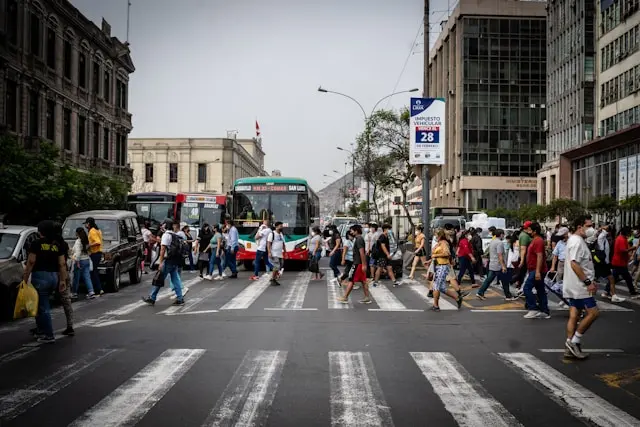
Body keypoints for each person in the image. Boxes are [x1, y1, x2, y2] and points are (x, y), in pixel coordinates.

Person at [22, 220, 68, 343]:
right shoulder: (56, 245)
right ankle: (41, 331)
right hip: (54, 277)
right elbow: (62, 263)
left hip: (40, 277)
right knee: (40, 305)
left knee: (43, 307)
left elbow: (30, 262)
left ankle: (48, 335)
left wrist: (25, 279)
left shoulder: (36, 244)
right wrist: (62, 280)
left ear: (40, 231)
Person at [563, 215, 600, 359]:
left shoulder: (576, 240)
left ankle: (569, 345)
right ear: (580, 227)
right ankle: (574, 341)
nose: (591, 229)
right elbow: (574, 263)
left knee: (574, 315)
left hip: (574, 285)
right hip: (580, 287)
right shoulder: (577, 242)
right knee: (593, 313)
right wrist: (587, 282)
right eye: (589, 226)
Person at [142, 220, 185, 306]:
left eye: (163, 225)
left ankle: (152, 297)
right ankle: (180, 298)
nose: (161, 227)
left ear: (165, 226)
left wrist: (160, 262)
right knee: (175, 279)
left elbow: (162, 249)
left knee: (159, 278)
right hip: (175, 260)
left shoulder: (166, 235)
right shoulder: (175, 235)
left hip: (168, 261)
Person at [476, 229, 516, 301]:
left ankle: (480, 292)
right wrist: (503, 266)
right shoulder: (499, 243)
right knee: (504, 281)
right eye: (503, 234)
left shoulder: (493, 241)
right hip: (498, 265)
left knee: (489, 280)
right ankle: (508, 295)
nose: (504, 236)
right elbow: (500, 255)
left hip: (493, 264)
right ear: (501, 234)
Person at [430, 229, 464, 311]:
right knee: (441, 287)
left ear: (440, 235)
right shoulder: (440, 243)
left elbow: (447, 253)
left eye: (436, 235)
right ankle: (457, 298)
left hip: (443, 266)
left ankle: (436, 305)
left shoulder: (444, 243)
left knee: (436, 286)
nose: (435, 236)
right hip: (439, 265)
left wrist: (436, 255)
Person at [522, 222, 550, 319]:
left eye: (530, 230)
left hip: (536, 270)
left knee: (526, 288)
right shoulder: (535, 240)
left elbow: (540, 256)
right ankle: (544, 310)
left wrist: (537, 271)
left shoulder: (538, 241)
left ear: (534, 231)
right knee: (540, 290)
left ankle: (533, 308)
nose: (528, 231)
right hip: (533, 269)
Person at [338, 224, 371, 304]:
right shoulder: (359, 238)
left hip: (357, 264)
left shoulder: (359, 239)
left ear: (356, 231)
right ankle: (367, 297)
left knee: (351, 280)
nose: (351, 232)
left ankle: (345, 297)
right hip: (359, 263)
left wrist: (363, 264)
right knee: (363, 281)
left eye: (352, 230)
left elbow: (362, 252)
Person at [611, 226, 639, 298]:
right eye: (630, 231)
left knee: (615, 278)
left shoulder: (622, 238)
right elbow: (623, 250)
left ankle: (606, 291)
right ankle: (632, 293)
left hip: (620, 261)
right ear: (627, 232)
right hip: (619, 262)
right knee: (627, 278)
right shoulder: (621, 239)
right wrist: (632, 248)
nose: (631, 233)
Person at [71, 227, 95, 300]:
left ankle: (74, 293)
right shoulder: (86, 240)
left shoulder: (78, 241)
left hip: (80, 261)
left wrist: (77, 262)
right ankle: (91, 292)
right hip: (86, 260)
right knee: (87, 277)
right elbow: (89, 251)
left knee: (76, 278)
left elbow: (78, 253)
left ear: (77, 233)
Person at [84, 217, 104, 295]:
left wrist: (89, 245)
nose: (85, 225)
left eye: (86, 223)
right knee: (94, 271)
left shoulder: (92, 231)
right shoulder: (98, 230)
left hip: (95, 253)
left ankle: (98, 289)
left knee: (93, 271)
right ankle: (98, 289)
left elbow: (98, 242)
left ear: (88, 223)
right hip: (98, 253)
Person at [268, 221, 286, 286]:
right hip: (274, 253)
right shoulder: (272, 234)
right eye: (280, 226)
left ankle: (274, 278)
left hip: (280, 253)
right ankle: (273, 279)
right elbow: (269, 244)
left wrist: (285, 252)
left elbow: (283, 243)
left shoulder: (281, 234)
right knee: (276, 266)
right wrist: (269, 252)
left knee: (280, 266)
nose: (282, 227)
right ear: (276, 227)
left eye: (282, 226)